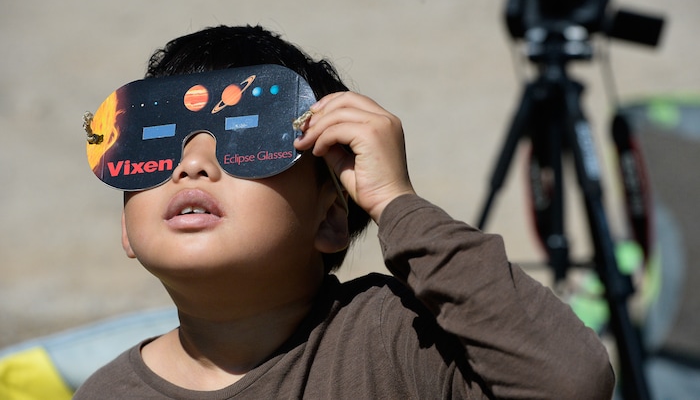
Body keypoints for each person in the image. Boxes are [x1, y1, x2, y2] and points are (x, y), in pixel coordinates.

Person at [74, 24, 614, 399]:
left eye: (244, 145)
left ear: (331, 216)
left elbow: (570, 381)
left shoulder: (400, 338)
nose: (191, 167)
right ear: (127, 226)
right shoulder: (105, 393)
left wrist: (394, 202)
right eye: (157, 152)